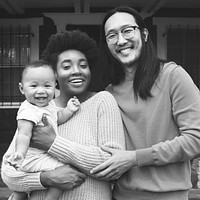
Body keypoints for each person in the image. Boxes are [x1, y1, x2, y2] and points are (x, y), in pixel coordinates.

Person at [88, 6, 200, 200]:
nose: (121, 40)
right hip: (121, 196)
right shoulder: (108, 94)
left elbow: (195, 139)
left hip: (169, 196)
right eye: (111, 35)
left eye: (127, 30)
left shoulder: (173, 76)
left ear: (145, 34)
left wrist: (135, 158)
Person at [1, 30, 125, 200]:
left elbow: (114, 167)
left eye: (83, 65)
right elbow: (9, 173)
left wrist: (53, 143)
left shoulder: (102, 101)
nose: (77, 71)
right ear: (55, 75)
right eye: (66, 66)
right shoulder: (39, 107)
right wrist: (45, 179)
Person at [5, 60, 80, 200]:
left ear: (55, 86)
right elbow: (24, 134)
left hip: (39, 156)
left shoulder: (49, 105)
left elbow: (58, 117)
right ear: (22, 89)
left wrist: (69, 110)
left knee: (21, 191)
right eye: (34, 86)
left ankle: (17, 196)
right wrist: (20, 154)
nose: (41, 91)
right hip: (30, 157)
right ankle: (51, 198)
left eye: (47, 85)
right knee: (62, 170)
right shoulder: (28, 110)